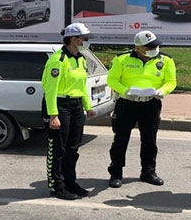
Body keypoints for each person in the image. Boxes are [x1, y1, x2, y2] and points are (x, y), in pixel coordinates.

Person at [107, 30, 177, 188]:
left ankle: (148, 172)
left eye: (156, 45)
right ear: (137, 48)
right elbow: (112, 80)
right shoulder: (122, 59)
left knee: (149, 140)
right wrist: (125, 91)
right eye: (149, 47)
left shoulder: (166, 60)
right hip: (127, 103)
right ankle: (116, 172)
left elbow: (171, 81)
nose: (155, 48)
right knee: (120, 139)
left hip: (151, 104)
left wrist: (163, 91)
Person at [41, 23, 96, 200]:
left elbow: (82, 85)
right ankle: (57, 185)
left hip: (76, 105)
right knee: (59, 148)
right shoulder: (58, 60)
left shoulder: (80, 58)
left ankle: (70, 181)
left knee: (73, 147)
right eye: (85, 38)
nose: (87, 41)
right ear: (74, 39)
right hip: (59, 104)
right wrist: (53, 115)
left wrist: (88, 106)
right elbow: (50, 89)